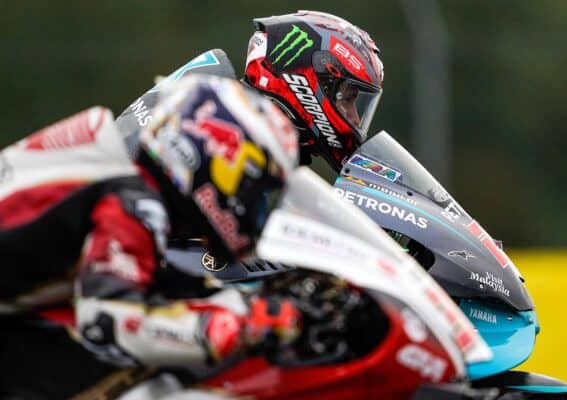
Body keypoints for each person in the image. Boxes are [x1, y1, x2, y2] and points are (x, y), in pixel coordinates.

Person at [0, 75, 301, 399]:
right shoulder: (134, 201)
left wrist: (239, 302)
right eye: (256, 190)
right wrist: (238, 328)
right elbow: (107, 321)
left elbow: (147, 280)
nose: (254, 210)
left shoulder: (114, 174)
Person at [117, 10, 384, 173]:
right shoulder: (216, 123)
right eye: (348, 98)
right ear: (309, 80)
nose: (355, 117)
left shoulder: (269, 149)